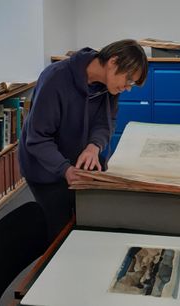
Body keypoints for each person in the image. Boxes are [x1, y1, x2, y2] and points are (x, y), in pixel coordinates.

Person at [19, 39, 148, 243]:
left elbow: (106, 122)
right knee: (59, 235)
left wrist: (93, 146)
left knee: (89, 224)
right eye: (129, 80)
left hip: (79, 166)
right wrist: (65, 169)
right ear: (113, 61)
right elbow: (37, 139)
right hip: (45, 169)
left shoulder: (109, 85)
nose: (128, 88)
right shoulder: (55, 78)